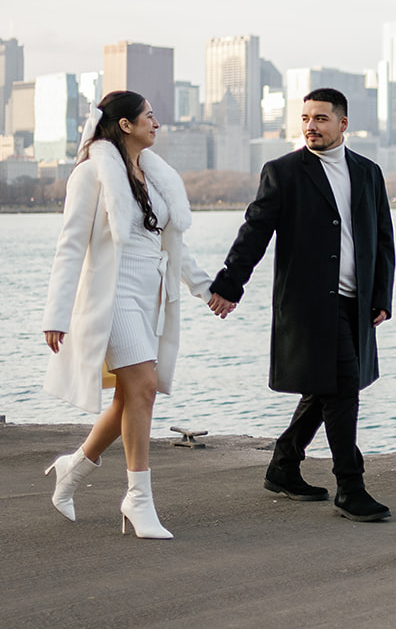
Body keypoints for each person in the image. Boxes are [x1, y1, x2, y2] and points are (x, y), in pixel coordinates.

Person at [40, 90, 233, 539]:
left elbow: (172, 244)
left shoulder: (155, 176)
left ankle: (73, 468)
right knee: (144, 387)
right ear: (125, 125)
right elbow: (70, 245)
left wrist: (208, 291)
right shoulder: (91, 174)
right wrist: (57, 314)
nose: (157, 123)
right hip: (114, 294)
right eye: (149, 115)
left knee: (129, 398)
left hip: (151, 296)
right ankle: (137, 499)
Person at [208, 87, 396, 521]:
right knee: (343, 388)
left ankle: (284, 464)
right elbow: (254, 232)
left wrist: (381, 295)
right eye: (306, 119)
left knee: (324, 388)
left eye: (321, 119)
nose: (311, 126)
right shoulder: (285, 172)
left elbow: (383, 239)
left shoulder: (368, 173)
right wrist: (229, 284)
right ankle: (350, 485)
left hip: (356, 301)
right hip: (310, 305)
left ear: (343, 124)